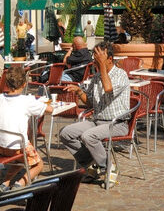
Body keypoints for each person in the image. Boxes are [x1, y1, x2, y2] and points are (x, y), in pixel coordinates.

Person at [60, 41, 130, 182]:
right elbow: (90, 102)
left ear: (109, 58)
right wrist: (79, 91)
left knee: (88, 136)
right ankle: (92, 161)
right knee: (65, 133)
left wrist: (102, 65)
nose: (95, 58)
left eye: (99, 55)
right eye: (95, 55)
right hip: (97, 121)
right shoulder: (97, 77)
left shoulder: (120, 74)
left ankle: (108, 166)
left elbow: (108, 89)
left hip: (117, 124)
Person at [0, 66, 53, 192]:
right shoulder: (26, 101)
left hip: (2, 146)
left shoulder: (0, 98)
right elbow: (50, 110)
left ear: (7, 82)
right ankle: (20, 184)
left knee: (22, 158)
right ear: (24, 84)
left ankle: (5, 183)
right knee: (38, 164)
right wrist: (44, 102)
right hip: (18, 147)